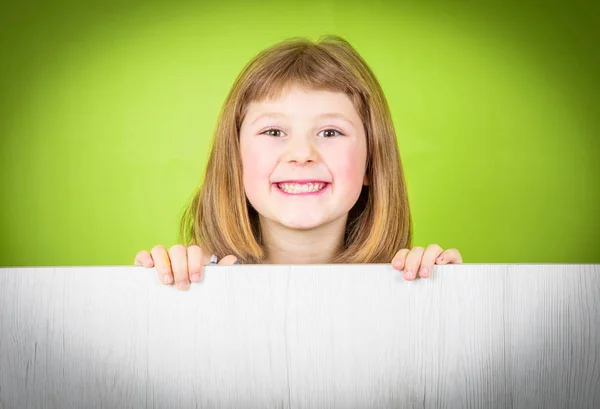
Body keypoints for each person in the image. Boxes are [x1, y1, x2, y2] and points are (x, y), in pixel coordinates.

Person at [134, 35, 463, 291]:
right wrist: (170, 284)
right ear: (235, 159)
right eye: (274, 131)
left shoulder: (409, 280)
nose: (301, 153)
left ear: (371, 163)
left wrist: (443, 290)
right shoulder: (199, 277)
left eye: (330, 132)